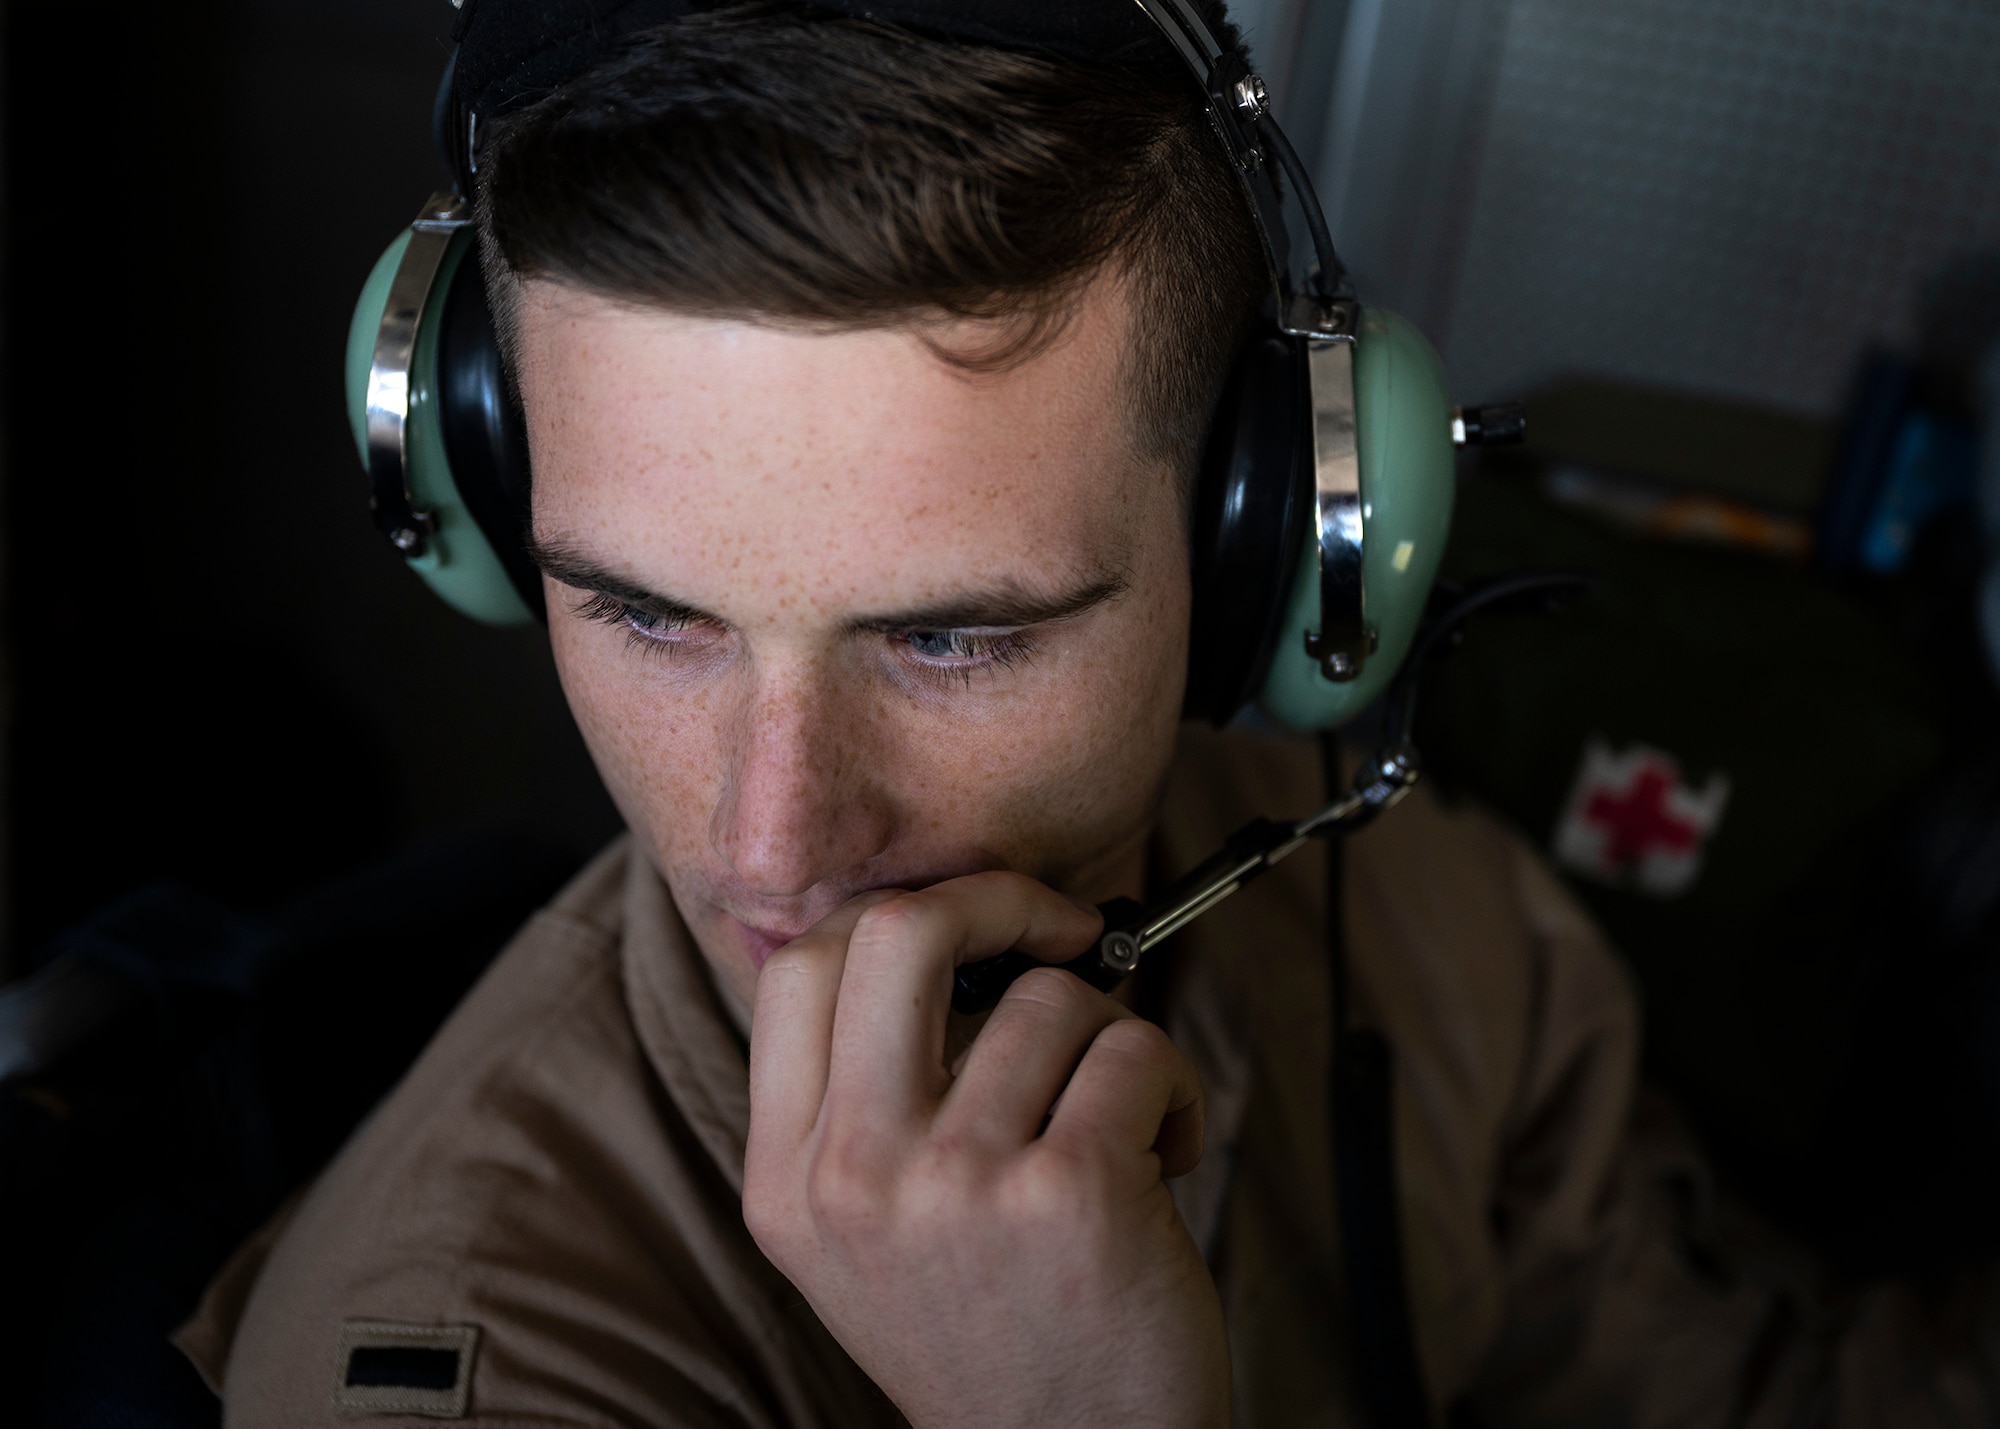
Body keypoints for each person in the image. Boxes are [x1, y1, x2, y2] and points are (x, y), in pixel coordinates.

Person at [175, 2, 2000, 1425]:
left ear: (1268, 558)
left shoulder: (1424, 932)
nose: (771, 844)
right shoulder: (496, 1361)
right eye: (648, 612)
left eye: (954, 640)